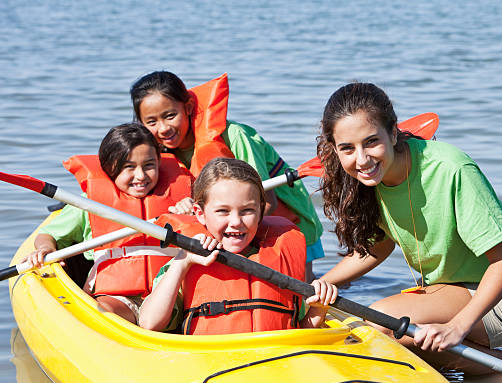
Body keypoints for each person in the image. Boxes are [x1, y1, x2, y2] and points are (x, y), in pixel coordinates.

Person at [316, 82, 502, 375]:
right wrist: (323, 285)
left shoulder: (450, 169)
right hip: (454, 288)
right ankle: (464, 368)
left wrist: (455, 327)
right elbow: (381, 245)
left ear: (394, 132)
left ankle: (500, 371)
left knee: (382, 323)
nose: (361, 159)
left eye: (372, 142)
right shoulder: (371, 178)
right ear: (334, 149)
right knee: (360, 324)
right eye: (347, 148)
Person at [129, 71, 324, 281]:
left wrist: (228, 236)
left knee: (301, 293)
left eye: (170, 116)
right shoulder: (157, 156)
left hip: (288, 222)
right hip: (232, 228)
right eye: (152, 122)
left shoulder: (235, 136)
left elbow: (268, 202)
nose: (163, 128)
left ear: (187, 107)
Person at [139, 158, 336, 334]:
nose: (236, 221)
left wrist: (318, 309)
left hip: (271, 361)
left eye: (247, 210)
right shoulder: (186, 260)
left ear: (260, 210)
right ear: (200, 213)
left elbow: (298, 332)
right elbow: (149, 323)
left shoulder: (282, 258)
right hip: (209, 362)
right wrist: (182, 262)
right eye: (223, 211)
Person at [24, 123, 193, 323]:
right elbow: (48, 235)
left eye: (149, 165)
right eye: (128, 167)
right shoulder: (89, 204)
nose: (140, 176)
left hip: (172, 296)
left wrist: (191, 212)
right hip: (118, 300)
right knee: (100, 311)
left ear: (158, 162)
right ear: (109, 168)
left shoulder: (182, 201)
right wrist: (45, 249)